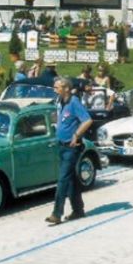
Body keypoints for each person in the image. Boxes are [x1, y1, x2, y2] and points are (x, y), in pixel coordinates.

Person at [46, 77, 93, 225]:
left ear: (66, 88)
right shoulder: (60, 101)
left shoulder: (74, 102)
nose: (54, 89)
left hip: (71, 147)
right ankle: (78, 210)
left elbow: (87, 120)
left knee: (63, 179)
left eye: (57, 87)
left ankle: (57, 213)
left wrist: (76, 134)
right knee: (71, 179)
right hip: (61, 145)